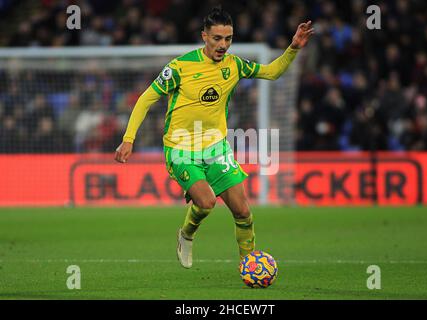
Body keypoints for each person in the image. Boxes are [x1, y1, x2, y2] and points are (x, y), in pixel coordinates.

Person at [115, 7, 314, 268]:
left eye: (228, 38)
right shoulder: (180, 67)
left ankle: (250, 267)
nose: (223, 45)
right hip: (180, 148)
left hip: (216, 148)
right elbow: (145, 99)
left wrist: (293, 48)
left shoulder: (234, 65)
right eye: (217, 38)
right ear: (204, 37)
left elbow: (271, 72)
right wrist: (129, 138)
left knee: (243, 212)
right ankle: (186, 233)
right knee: (206, 202)